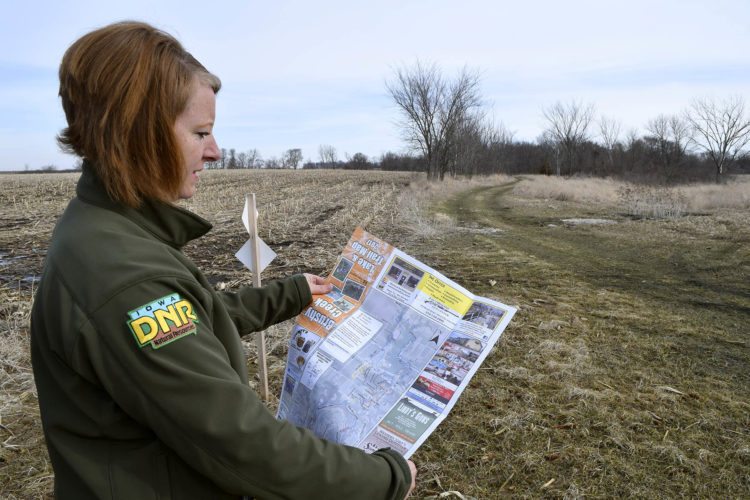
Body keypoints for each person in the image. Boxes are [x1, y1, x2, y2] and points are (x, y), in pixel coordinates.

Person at [30, 21, 416, 499]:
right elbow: (243, 446)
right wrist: (387, 479)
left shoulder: (107, 231)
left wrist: (289, 294)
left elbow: (192, 323)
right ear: (138, 134)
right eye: (201, 133)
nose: (214, 151)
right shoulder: (125, 279)